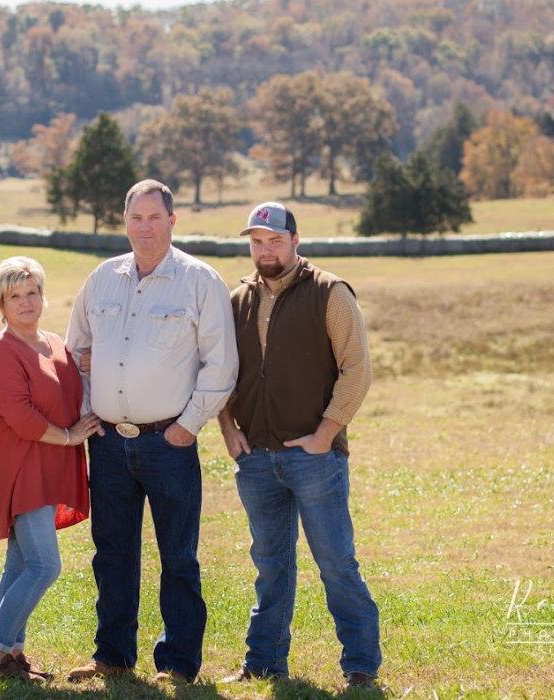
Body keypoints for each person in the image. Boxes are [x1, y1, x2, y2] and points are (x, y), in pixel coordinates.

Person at [64, 180, 237, 685]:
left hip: (168, 442)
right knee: (112, 552)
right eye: (136, 217)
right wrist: (87, 409)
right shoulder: (102, 279)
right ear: (125, 220)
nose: (144, 227)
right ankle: (113, 655)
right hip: (109, 444)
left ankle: (179, 663)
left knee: (178, 557)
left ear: (172, 221)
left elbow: (221, 364)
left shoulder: (199, 281)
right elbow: (75, 352)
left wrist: (187, 428)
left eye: (154, 217)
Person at [217, 203, 381, 690]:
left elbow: (358, 368)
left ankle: (361, 666)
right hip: (256, 459)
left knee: (336, 562)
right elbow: (219, 372)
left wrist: (326, 434)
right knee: (270, 565)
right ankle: (264, 661)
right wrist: (228, 427)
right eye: (257, 242)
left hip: (315, 457)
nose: (265, 250)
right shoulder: (236, 300)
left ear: (295, 240)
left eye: (274, 240)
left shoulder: (329, 292)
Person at [0, 256, 97, 682]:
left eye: (32, 293)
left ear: (42, 296)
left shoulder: (53, 343)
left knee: (20, 564)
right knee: (45, 566)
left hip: (50, 463)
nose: (25, 302)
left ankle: (14, 654)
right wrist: (69, 437)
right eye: (14, 296)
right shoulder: (0, 353)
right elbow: (20, 416)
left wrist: (87, 366)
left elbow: (70, 389)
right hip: (23, 468)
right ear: (0, 304)